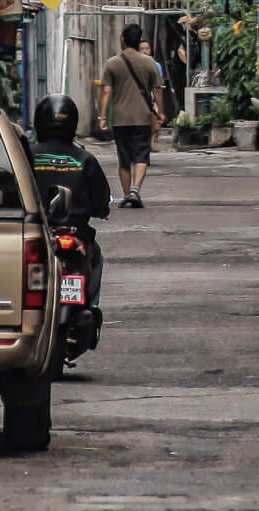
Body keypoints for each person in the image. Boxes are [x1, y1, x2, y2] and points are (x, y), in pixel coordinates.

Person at [27, 93, 112, 312]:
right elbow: (101, 200)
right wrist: (100, 209)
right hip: (77, 234)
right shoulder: (84, 159)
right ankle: (91, 306)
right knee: (96, 259)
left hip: (37, 232)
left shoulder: (25, 156)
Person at [101, 22, 162, 208]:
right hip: (142, 117)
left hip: (120, 119)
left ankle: (127, 194)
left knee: (124, 160)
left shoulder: (112, 63)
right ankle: (135, 190)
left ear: (123, 40)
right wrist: (160, 111)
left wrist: (102, 117)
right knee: (141, 155)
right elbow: (157, 89)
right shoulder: (149, 62)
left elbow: (106, 91)